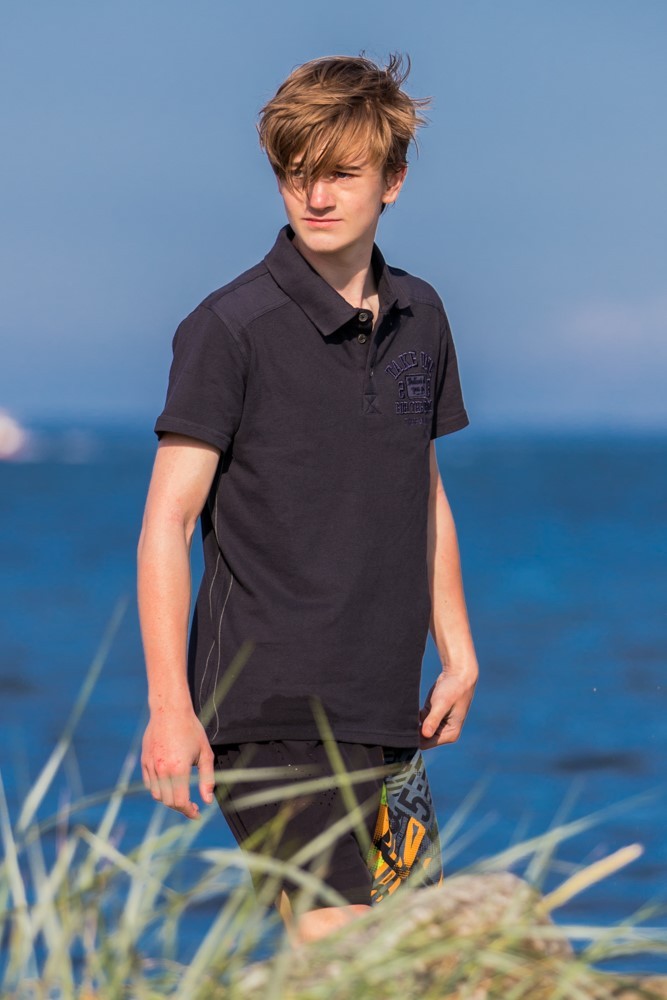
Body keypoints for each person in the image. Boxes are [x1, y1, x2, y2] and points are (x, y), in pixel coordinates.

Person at [137, 52, 479, 946]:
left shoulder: (423, 317)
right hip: (270, 706)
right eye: (296, 174)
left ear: (392, 181)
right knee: (342, 944)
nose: (315, 197)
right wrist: (170, 708)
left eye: (340, 174)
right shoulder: (228, 329)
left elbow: (421, 487)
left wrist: (457, 649)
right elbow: (168, 522)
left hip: (385, 704)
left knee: (413, 957)